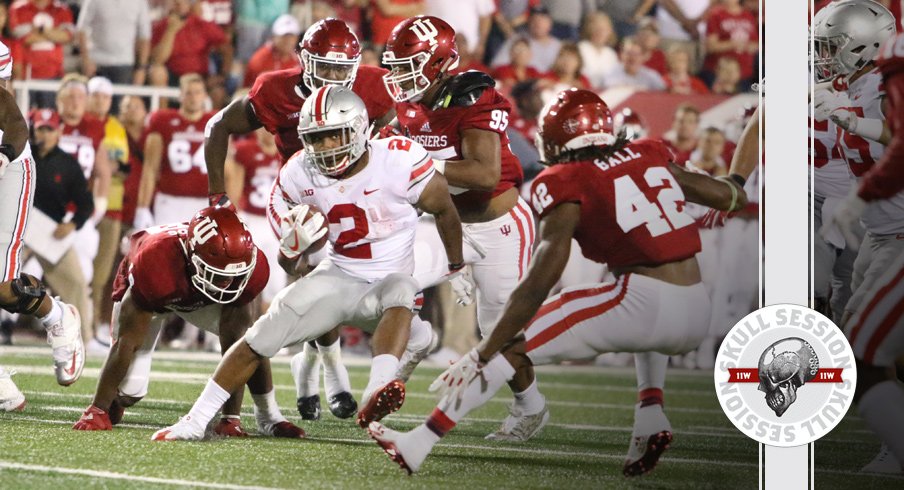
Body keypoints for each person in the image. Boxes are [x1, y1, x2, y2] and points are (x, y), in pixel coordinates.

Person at [367, 88, 747, 476]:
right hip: (697, 306)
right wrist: (752, 140)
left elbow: (539, 281)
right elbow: (731, 194)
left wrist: (484, 351)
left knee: (507, 347)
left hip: (642, 303)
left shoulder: (567, 178)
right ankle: (650, 413)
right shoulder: (650, 153)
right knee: (636, 315)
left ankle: (418, 443)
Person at [151, 86, 464, 441]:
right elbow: (290, 263)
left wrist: (457, 263)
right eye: (315, 139)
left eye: (334, 136)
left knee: (402, 289)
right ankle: (195, 420)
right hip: (339, 274)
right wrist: (293, 248)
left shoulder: (398, 158)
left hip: (388, 283)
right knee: (263, 333)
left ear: (360, 129)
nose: (325, 148)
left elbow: (445, 209)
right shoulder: (298, 173)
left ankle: (377, 389)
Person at [203, 18, 396, 418]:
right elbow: (218, 125)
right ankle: (332, 369)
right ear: (304, 61)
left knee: (348, 282)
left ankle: (313, 368)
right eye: (323, 66)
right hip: (302, 192)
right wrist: (218, 195)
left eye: (341, 69)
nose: (332, 76)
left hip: (356, 193)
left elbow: (396, 116)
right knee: (308, 274)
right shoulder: (276, 90)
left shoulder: (376, 86)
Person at [382, 15, 548, 441]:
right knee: (392, 282)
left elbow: (484, 174)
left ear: (438, 63)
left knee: (498, 332)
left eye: (408, 65)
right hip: (445, 221)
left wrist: (419, 161)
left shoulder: (473, 95)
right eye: (395, 66)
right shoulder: (409, 101)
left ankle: (531, 406)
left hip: (499, 226)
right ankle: (419, 339)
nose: (399, 76)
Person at [72, 206, 305, 438]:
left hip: (196, 290)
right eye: (218, 275)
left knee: (254, 339)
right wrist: (98, 409)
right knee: (129, 391)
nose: (227, 284)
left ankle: (269, 416)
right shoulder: (156, 263)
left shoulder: (250, 270)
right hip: (157, 292)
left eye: (234, 276)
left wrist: (230, 419)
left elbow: (241, 345)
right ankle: (110, 404)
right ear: (193, 258)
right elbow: (126, 343)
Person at [823, 27, 904, 473]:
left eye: (831, 46)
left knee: (863, 343)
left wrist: (852, 121)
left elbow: (898, 138)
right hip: (877, 231)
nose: (826, 56)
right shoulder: (854, 85)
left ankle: (896, 447)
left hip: (898, 229)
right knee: (869, 338)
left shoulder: (880, 85)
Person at [0, 91, 84, 413]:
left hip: (10, 168)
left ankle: (57, 315)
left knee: (3, 287)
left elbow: (15, 121)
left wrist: (4, 154)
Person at [135, 73, 216, 230]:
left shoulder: (215, 122)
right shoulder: (163, 121)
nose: (193, 97)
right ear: (180, 96)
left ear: (205, 95)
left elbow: (227, 169)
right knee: (167, 250)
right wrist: (142, 207)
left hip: (204, 202)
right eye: (188, 93)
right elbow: (150, 168)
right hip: (169, 200)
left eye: (198, 92)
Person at [86, 76, 129, 352]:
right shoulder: (83, 125)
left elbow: (122, 167)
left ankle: (95, 325)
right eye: (96, 96)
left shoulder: (115, 128)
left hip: (111, 205)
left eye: (105, 96)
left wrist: (100, 165)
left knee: (102, 273)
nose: (101, 100)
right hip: (80, 207)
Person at [149, 0, 229, 87]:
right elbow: (157, 60)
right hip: (172, 76)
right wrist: (170, 31)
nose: (179, 6)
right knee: (157, 72)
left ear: (189, 5)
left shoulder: (201, 24)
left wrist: (222, 75)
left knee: (218, 92)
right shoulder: (160, 27)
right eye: (176, 3)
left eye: (183, 3)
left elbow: (227, 49)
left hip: (200, 77)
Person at [76, 0, 152, 85]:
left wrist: (141, 68)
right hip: (96, 62)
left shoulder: (139, 2)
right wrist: (86, 60)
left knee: (122, 98)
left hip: (124, 64)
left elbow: (144, 36)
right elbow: (81, 30)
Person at [242, 14, 301, 88]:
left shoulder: (299, 59)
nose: (288, 40)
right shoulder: (261, 58)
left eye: (291, 36)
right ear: (274, 36)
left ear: (297, 38)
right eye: (284, 36)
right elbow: (251, 89)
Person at [601, 37, 666, 91]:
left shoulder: (651, 76)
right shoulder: (611, 72)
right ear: (622, 55)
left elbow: (664, 92)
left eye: (636, 54)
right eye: (629, 54)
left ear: (643, 57)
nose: (632, 58)